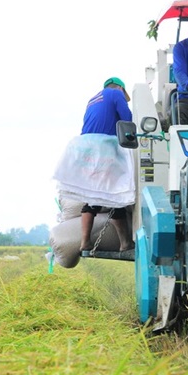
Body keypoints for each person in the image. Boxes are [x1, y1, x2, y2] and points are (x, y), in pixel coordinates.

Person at [77, 77, 135, 253]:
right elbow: (128, 120)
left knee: (92, 196)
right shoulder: (115, 93)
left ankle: (85, 242)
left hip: (85, 149)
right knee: (114, 196)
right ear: (119, 88)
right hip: (104, 149)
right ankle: (125, 243)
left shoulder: (93, 99)